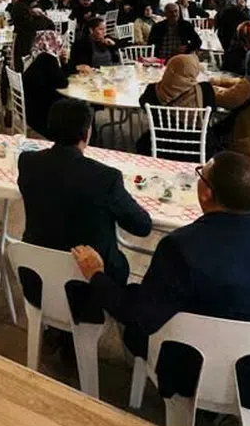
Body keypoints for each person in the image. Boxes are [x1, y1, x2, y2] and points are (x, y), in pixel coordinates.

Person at [72, 152, 250, 403]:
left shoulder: (181, 246)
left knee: (133, 324)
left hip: (192, 374)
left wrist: (96, 274)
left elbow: (139, 316)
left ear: (206, 193)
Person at [18, 99, 151, 317]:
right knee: (120, 263)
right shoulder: (106, 178)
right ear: (87, 133)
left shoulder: (27, 162)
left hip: (36, 280)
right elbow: (142, 226)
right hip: (91, 287)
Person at [22, 30, 69, 139]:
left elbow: (56, 77)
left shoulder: (36, 57)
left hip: (30, 108)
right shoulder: (49, 59)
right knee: (73, 104)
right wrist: (65, 62)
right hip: (41, 115)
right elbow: (63, 83)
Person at [11, 0, 56, 71]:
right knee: (24, 62)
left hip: (22, 37)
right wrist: (43, 16)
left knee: (22, 62)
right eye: (35, 1)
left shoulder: (21, 5)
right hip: (24, 39)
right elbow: (33, 25)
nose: (36, 3)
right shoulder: (21, 8)